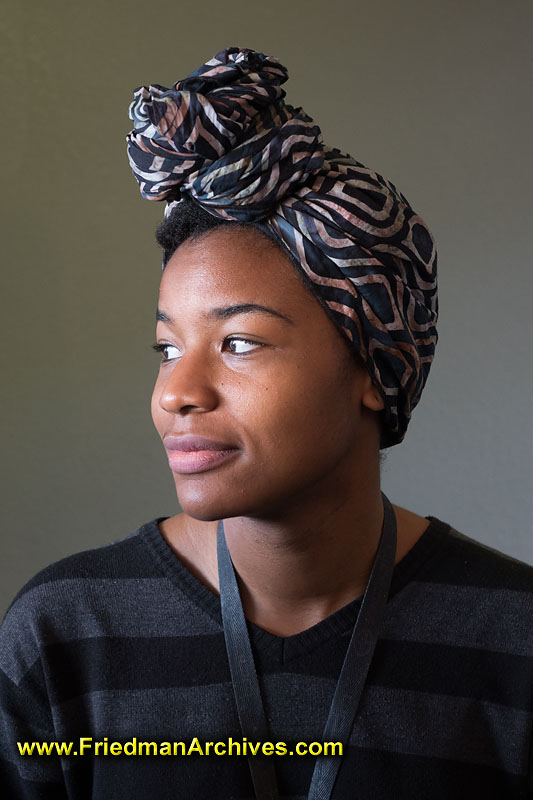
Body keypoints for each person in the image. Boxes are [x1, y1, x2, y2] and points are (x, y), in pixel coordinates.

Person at [1, 46, 532, 800]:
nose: (176, 392)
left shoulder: (511, 639)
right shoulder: (64, 633)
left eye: (239, 343)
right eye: (166, 348)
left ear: (370, 369)